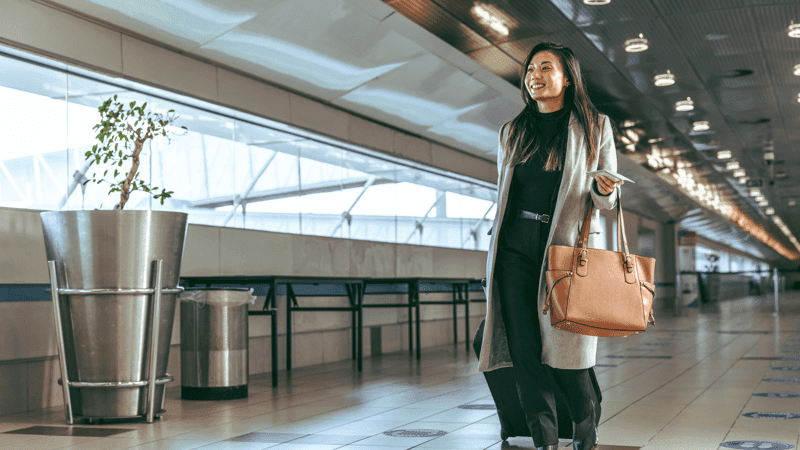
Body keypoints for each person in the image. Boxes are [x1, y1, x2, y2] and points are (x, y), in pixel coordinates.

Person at [477, 42, 623, 450]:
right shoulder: (513, 131)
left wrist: (605, 189)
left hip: (564, 251)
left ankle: (584, 420)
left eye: (545, 67)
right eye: (529, 70)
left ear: (568, 77)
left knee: (566, 353)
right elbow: (506, 195)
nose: (533, 75)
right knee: (524, 351)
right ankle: (543, 439)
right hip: (514, 251)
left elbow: (605, 201)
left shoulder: (594, 126)